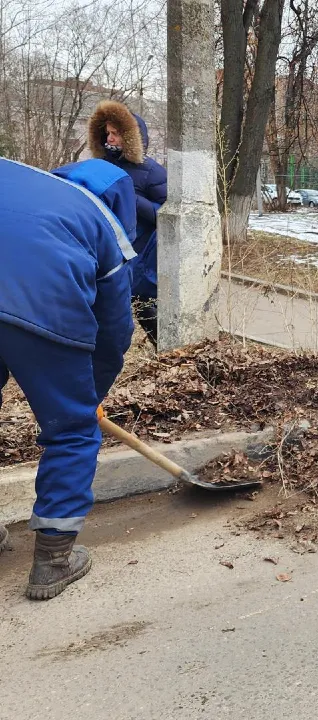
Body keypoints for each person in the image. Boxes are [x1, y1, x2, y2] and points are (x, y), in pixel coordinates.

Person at [0, 157, 137, 600]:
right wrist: (89, 397)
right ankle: (53, 561)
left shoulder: (18, 175)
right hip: (42, 308)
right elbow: (116, 329)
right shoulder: (96, 214)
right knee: (72, 432)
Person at [88, 100, 167, 346]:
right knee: (105, 312)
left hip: (141, 255)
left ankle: (168, 353)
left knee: (146, 310)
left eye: (116, 133)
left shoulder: (152, 171)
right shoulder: (100, 168)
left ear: (131, 136)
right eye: (107, 133)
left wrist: (133, 200)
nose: (109, 139)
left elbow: (165, 216)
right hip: (105, 252)